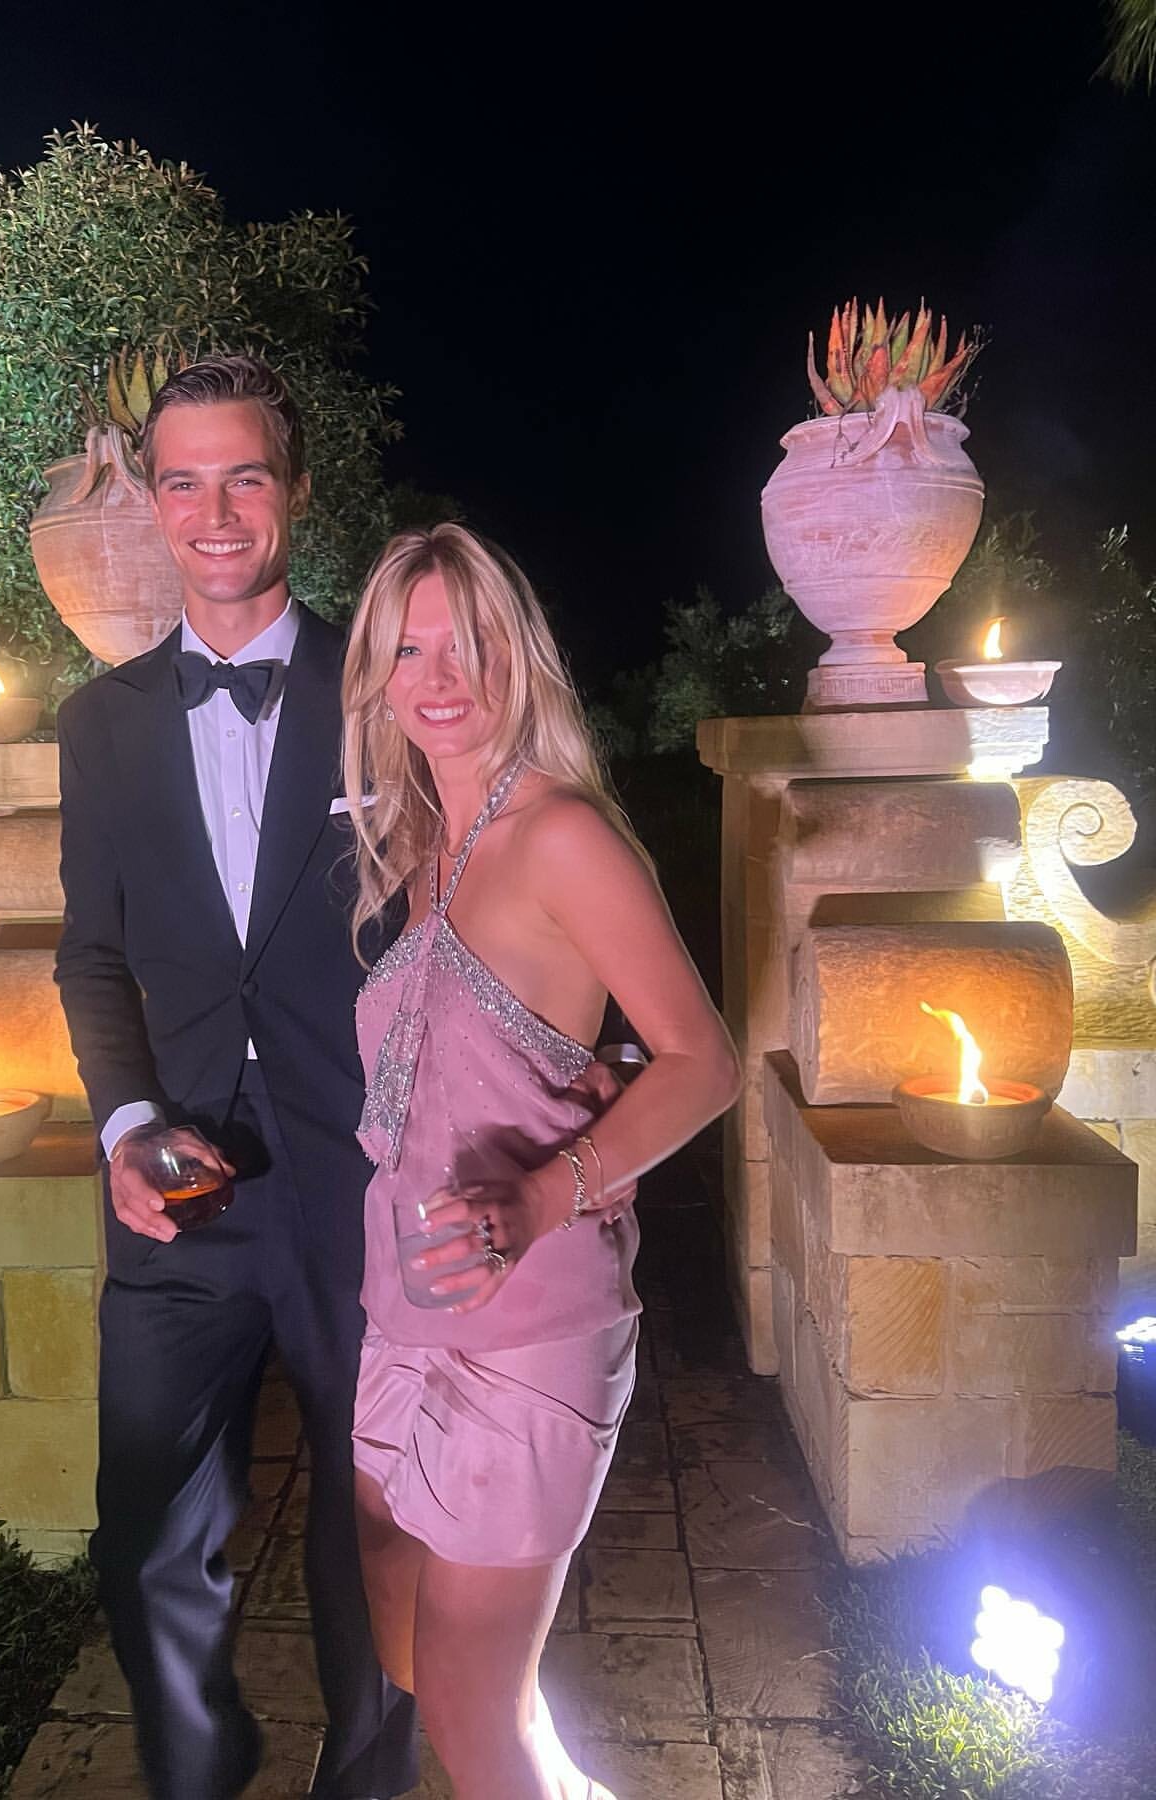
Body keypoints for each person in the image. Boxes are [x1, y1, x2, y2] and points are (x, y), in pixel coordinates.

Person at [54, 355, 419, 1800]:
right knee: (146, 1524)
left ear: (297, 491)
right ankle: (196, 1772)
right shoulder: (99, 725)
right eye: (185, 482)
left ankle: (366, 1777)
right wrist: (127, 1123)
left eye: (245, 476)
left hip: (364, 1172)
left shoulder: (386, 695)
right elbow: (92, 955)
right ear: (152, 502)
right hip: (179, 1178)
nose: (214, 513)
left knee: (373, 1517)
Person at [340, 523, 742, 1800]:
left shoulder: (561, 834)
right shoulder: (424, 842)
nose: (439, 677)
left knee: (475, 1723)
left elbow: (704, 1061)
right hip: (406, 1302)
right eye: (409, 649)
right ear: (376, 676)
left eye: (468, 644)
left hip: (528, 1326)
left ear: (519, 658)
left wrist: (544, 1189)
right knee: (396, 1606)